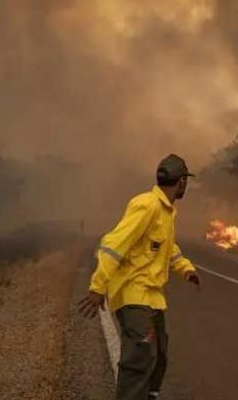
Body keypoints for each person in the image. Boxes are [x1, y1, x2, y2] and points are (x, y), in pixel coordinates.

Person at [78, 154, 201, 400]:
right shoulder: (147, 205)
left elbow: (167, 248)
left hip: (153, 297)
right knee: (140, 358)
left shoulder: (166, 211)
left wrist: (186, 269)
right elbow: (113, 245)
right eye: (185, 181)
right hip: (133, 294)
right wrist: (97, 286)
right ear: (181, 183)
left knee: (159, 357)